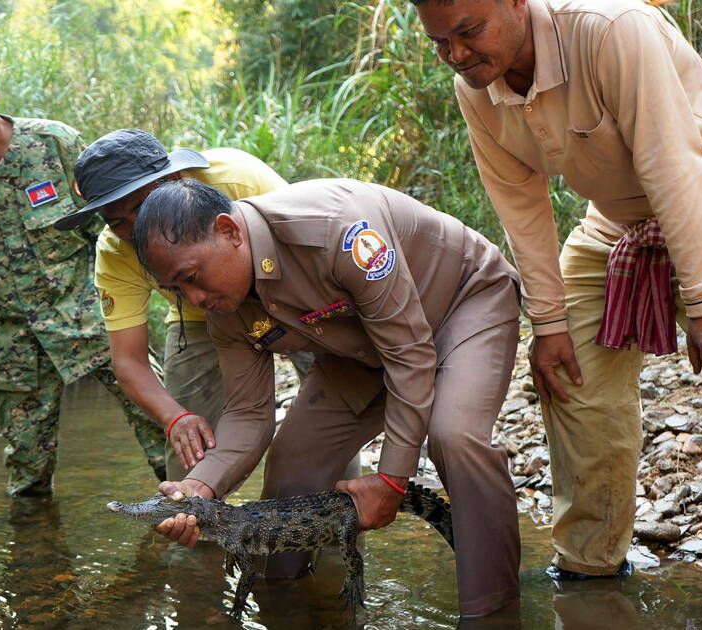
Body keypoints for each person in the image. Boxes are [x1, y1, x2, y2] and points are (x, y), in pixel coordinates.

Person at [411, 0, 702, 627]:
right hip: (619, 219)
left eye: (470, 32)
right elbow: (522, 209)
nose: (458, 56)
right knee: (566, 368)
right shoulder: (477, 87)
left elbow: (671, 160)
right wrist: (547, 324)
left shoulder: (610, 29)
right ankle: (591, 562)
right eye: (441, 43)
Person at [134, 178, 524, 620]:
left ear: (229, 230)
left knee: (454, 437)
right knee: (294, 461)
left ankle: (493, 611)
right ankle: (283, 604)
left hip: (460, 305)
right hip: (363, 352)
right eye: (177, 291)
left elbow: (410, 354)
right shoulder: (226, 307)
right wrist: (199, 489)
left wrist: (392, 480)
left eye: (192, 278)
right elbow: (247, 414)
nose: (195, 299)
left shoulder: (336, 231)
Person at [0, 49, 165, 496]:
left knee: (162, 418)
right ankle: (35, 558)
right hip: (14, 343)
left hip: (94, 318)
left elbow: (115, 224)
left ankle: (199, 510)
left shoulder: (55, 145)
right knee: (27, 472)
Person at [53, 129, 298, 481]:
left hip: (292, 297)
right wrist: (176, 418)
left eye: (140, 206)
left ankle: (335, 529)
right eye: (117, 221)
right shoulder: (114, 251)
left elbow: (309, 248)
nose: (136, 229)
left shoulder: (237, 180)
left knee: (326, 420)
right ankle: (193, 523)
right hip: (202, 318)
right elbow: (128, 359)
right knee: (188, 447)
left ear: (174, 178)